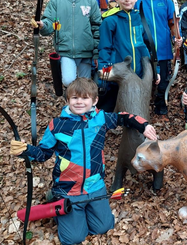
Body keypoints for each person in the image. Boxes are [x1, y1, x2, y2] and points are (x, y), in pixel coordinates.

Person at [10, 78, 157, 245]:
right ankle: (56, 200)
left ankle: (82, 212)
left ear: (94, 101)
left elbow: (123, 118)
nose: (79, 102)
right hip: (68, 190)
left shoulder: (100, 118)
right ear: (67, 100)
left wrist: (143, 125)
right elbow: (43, 154)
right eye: (74, 98)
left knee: (104, 227)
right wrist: (25, 150)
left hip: (95, 186)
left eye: (85, 98)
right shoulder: (57, 125)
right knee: (74, 238)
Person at [97, 0, 159, 112]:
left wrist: (155, 70)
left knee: (133, 109)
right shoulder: (110, 21)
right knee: (109, 109)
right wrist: (104, 75)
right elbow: (104, 49)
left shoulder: (141, 19)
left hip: (137, 75)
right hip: (116, 76)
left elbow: (145, 46)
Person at [33, 0, 101, 87]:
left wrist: (96, 53)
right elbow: (49, 22)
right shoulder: (56, 2)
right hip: (65, 50)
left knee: (85, 84)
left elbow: (97, 28)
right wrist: (43, 25)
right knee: (68, 80)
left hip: (86, 51)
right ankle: (71, 100)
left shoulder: (91, 2)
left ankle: (81, 104)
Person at [135, 0, 182, 118]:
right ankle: (143, 105)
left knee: (163, 80)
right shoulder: (137, 1)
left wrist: (176, 37)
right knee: (147, 77)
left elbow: (172, 23)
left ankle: (160, 103)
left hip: (163, 48)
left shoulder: (166, 1)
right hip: (144, 48)